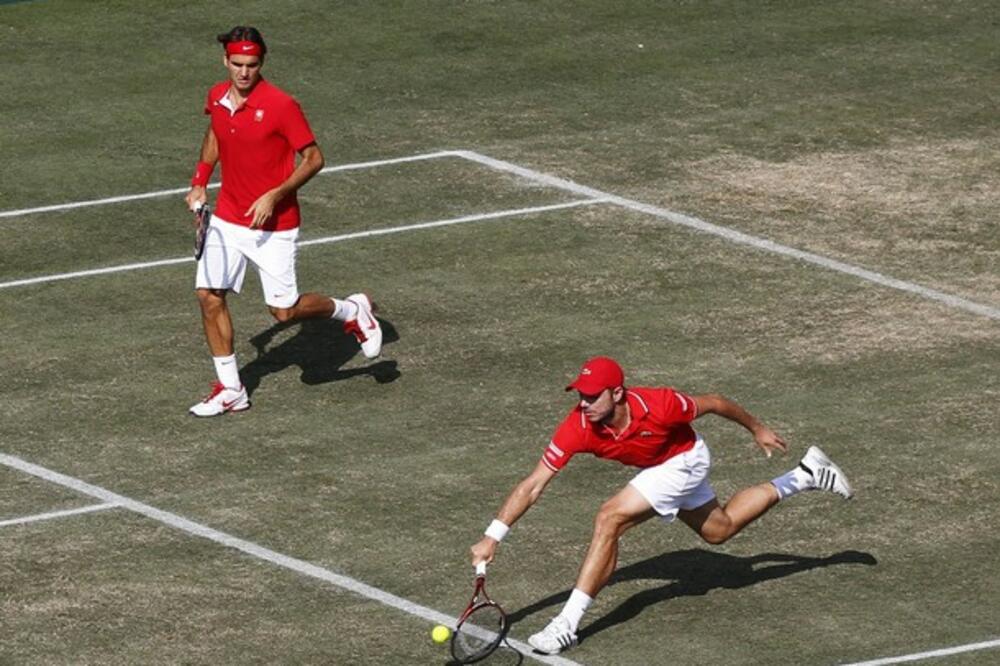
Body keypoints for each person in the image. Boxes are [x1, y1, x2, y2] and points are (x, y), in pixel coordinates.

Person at [469, 356, 853, 655]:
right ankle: (806, 474)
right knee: (720, 529)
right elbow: (534, 484)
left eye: (591, 396)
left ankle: (566, 624)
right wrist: (493, 536)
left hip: (686, 460)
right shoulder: (578, 426)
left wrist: (757, 428)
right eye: (580, 395)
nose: (583, 403)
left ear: (616, 393)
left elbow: (717, 403)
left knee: (610, 517)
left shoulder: (661, 404)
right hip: (659, 468)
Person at [184, 26, 382, 417]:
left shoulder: (281, 105)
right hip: (226, 217)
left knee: (284, 312)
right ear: (226, 61)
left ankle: (352, 311)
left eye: (252, 65)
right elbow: (215, 134)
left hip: (274, 226)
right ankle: (231, 389)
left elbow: (314, 158)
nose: (244, 72)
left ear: (262, 63)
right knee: (209, 296)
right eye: (237, 64)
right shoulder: (216, 97)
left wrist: (275, 194)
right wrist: (199, 182)